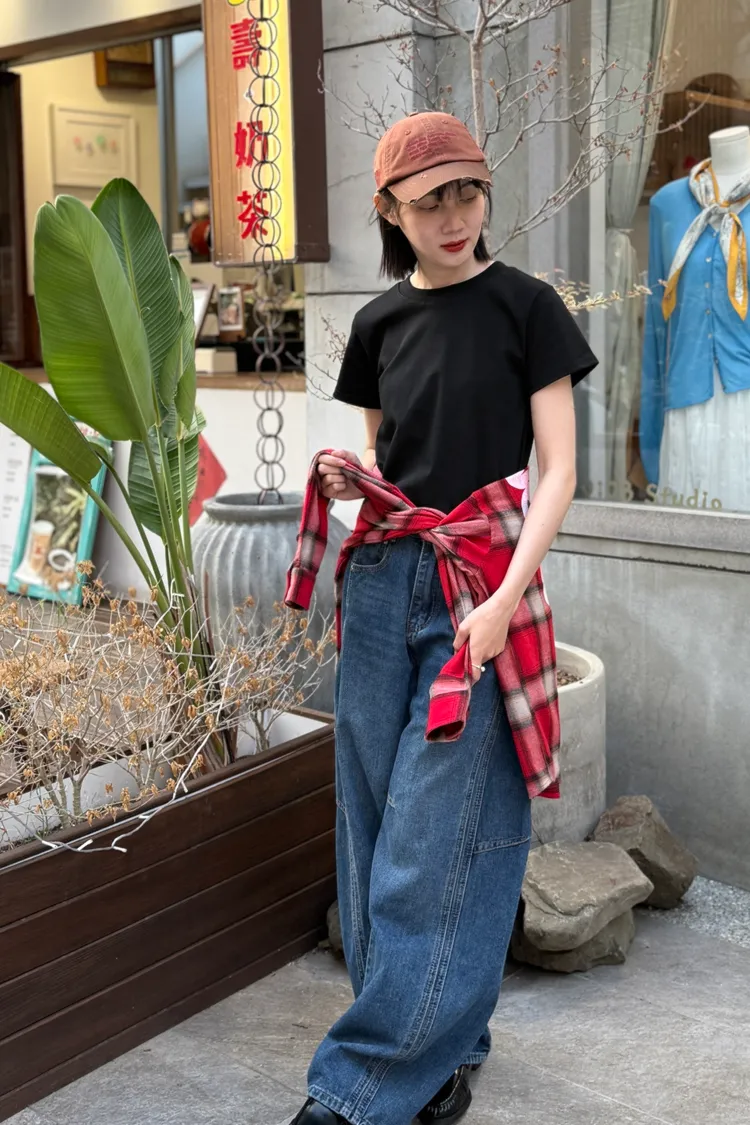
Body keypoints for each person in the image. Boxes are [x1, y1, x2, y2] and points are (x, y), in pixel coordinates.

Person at [287, 110, 598, 1125]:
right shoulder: (378, 325)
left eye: (468, 192)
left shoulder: (527, 307)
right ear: (390, 210)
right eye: (430, 202)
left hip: (484, 586)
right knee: (371, 825)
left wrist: (506, 601)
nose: (456, 216)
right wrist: (353, 482)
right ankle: (442, 1054)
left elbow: (559, 471)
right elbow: (393, 462)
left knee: (440, 836)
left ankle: (361, 1089)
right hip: (386, 581)